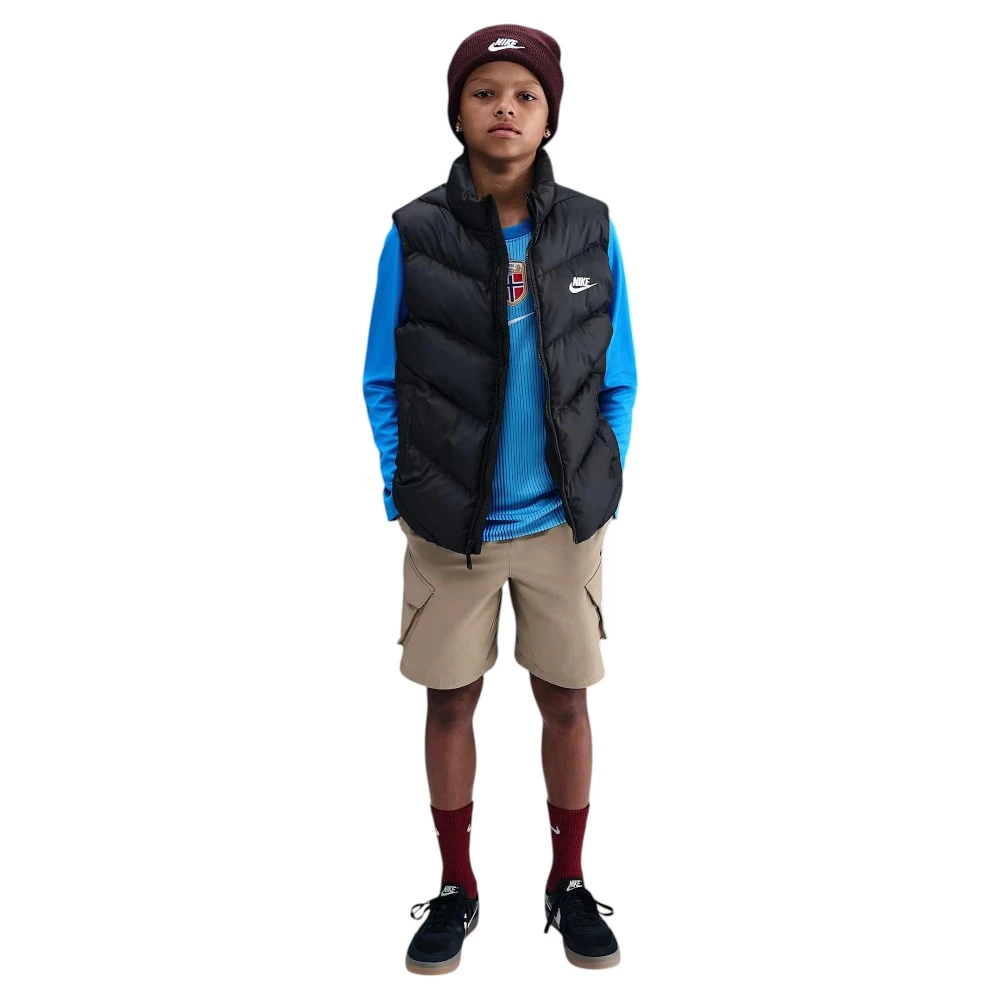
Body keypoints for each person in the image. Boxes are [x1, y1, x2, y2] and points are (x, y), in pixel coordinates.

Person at [362, 23, 637, 974]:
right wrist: (405, 487)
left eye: (525, 94)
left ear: (549, 115)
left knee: (567, 700)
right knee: (450, 701)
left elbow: (619, 376)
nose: (506, 109)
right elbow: (381, 377)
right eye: (485, 94)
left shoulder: (591, 228)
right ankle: (456, 886)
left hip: (563, 523)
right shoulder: (415, 233)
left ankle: (568, 882)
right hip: (452, 527)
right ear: (458, 113)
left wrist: (603, 480)